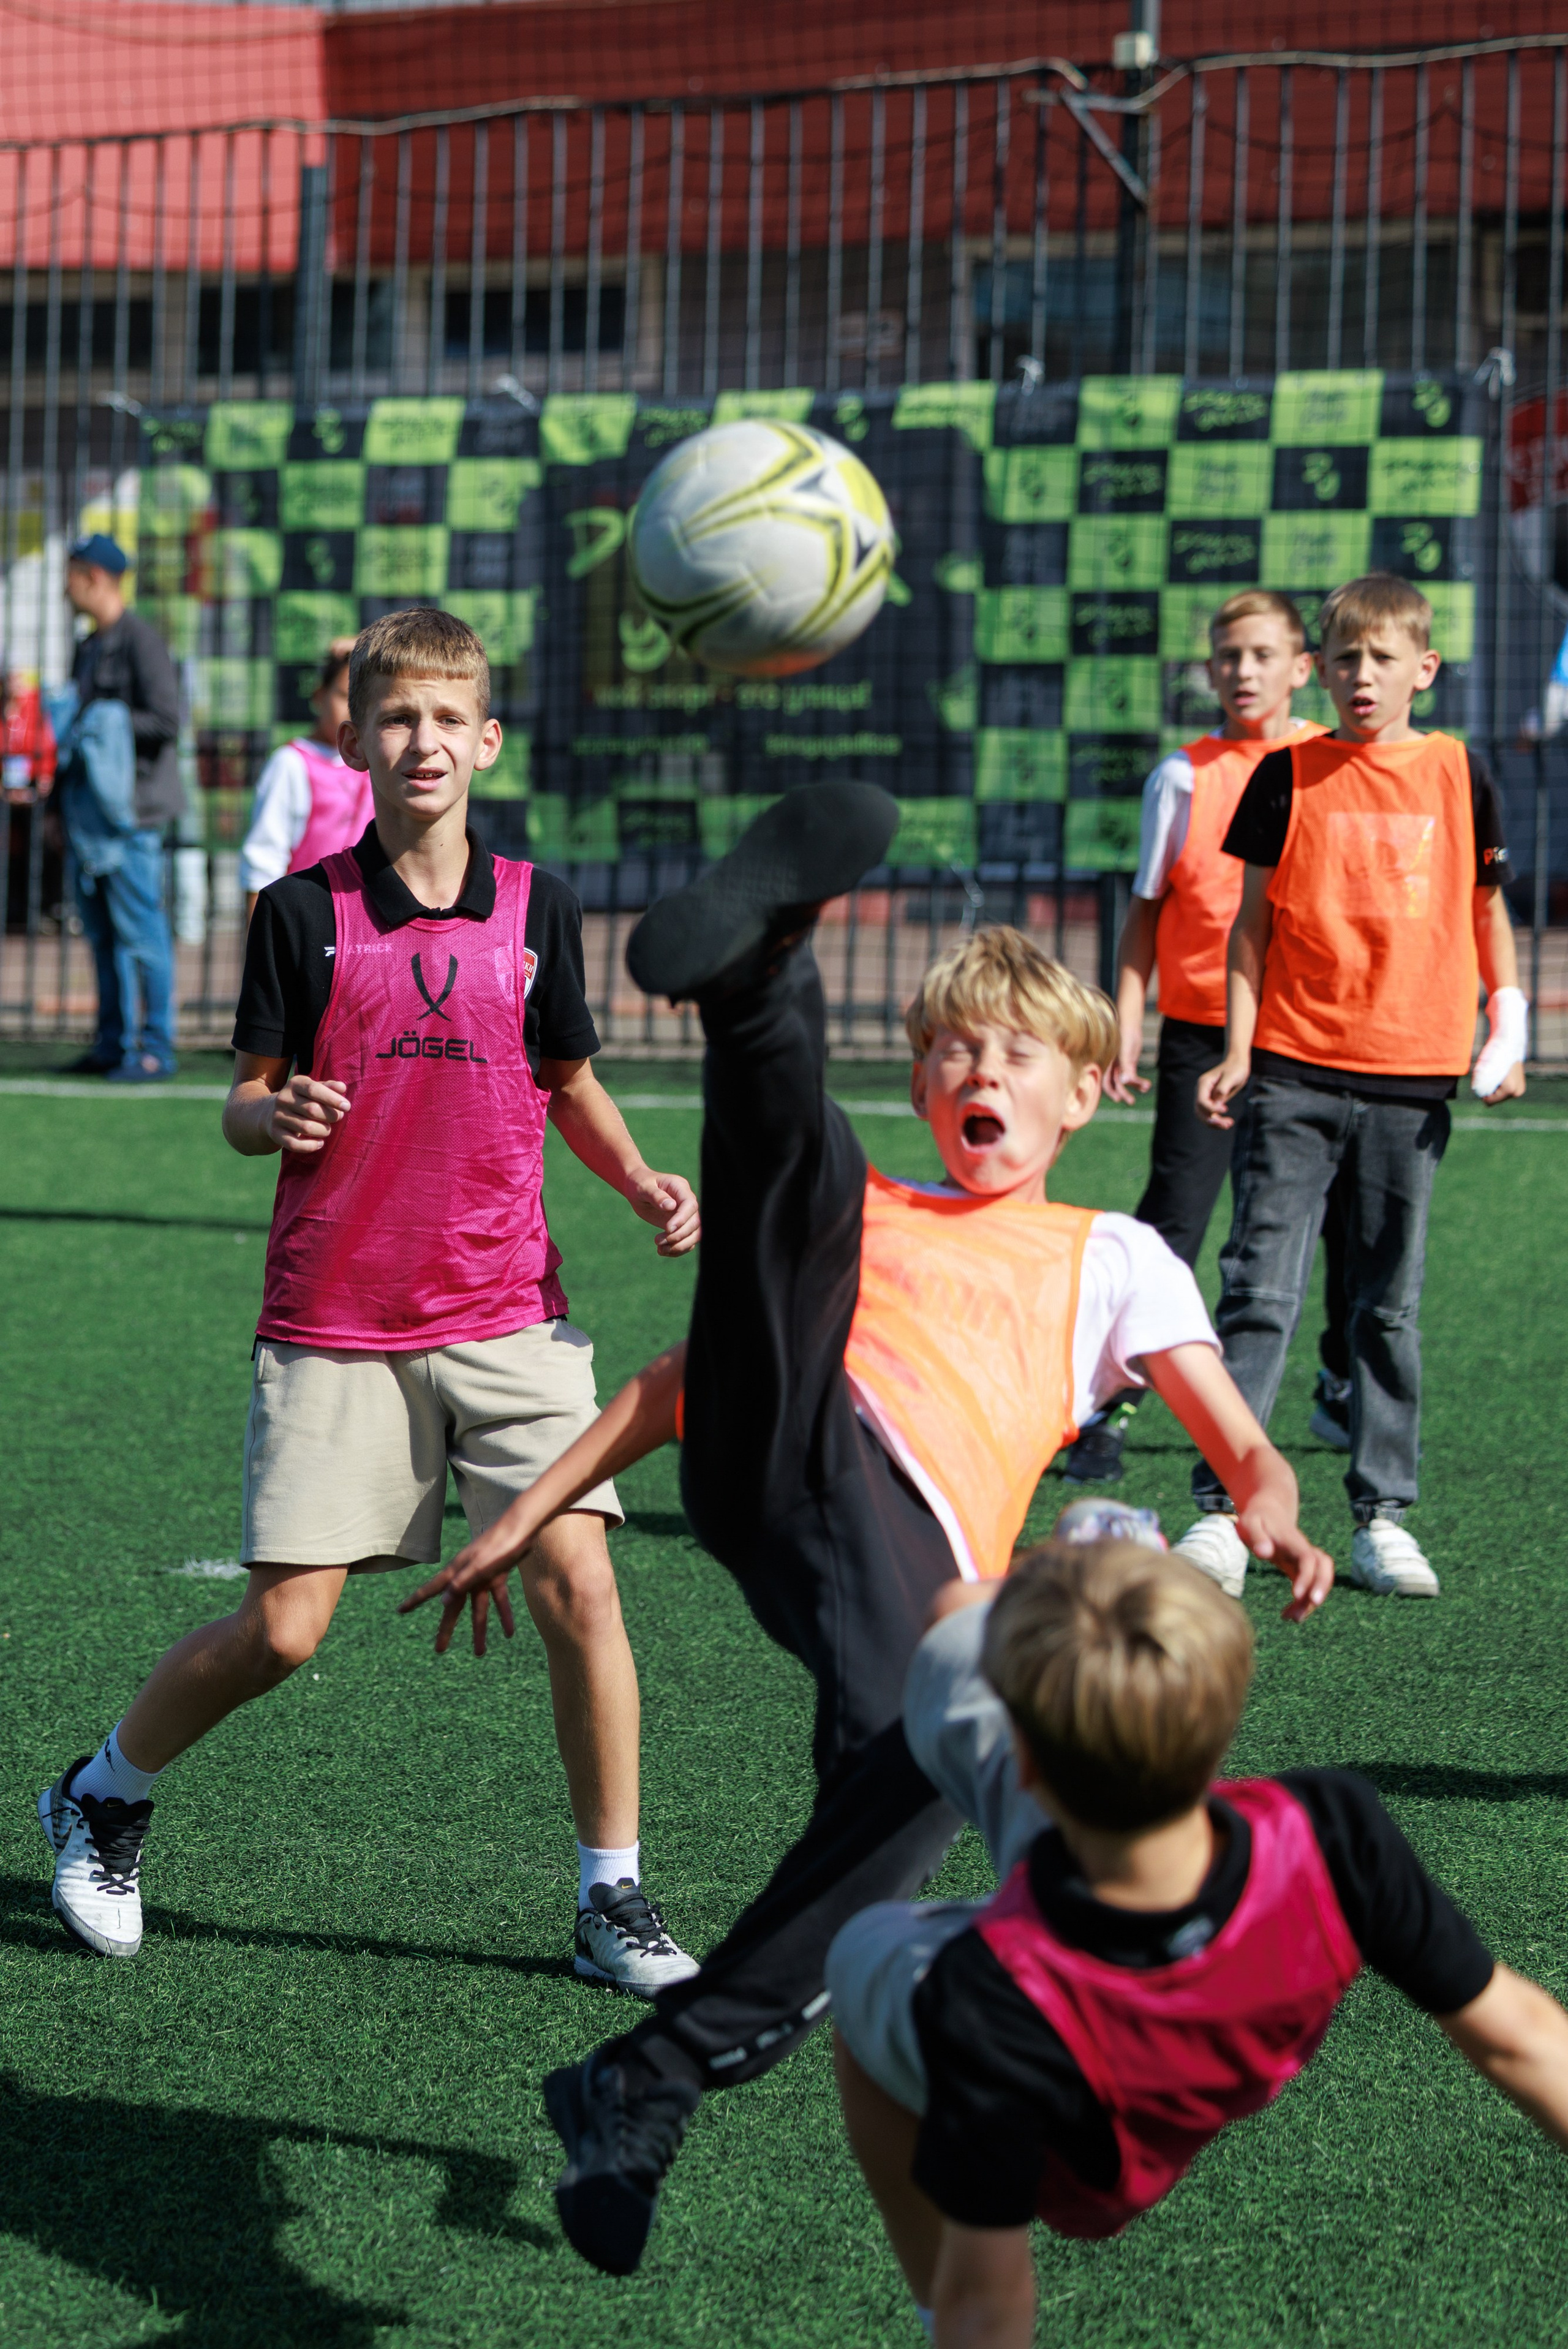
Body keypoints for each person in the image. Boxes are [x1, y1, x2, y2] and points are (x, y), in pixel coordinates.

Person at [406, 782, 1334, 2278]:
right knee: (807, 1185)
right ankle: (758, 979)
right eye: (954, 1046)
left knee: (895, 1808)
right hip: (782, 1439)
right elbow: (676, 1379)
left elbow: (1241, 1446)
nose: (980, 1066)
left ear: (1082, 1089)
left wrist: (1272, 1513)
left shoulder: (1117, 1253)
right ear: (923, 1077)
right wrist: (533, 1502)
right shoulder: (882, 1202)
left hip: (899, 1545)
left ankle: (641, 2082)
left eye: (1016, 1053)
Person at [37, 607, 704, 1999]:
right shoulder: (303, 912)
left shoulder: (539, 902)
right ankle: (102, 1789)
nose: (423, 740)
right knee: (285, 1631)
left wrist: (639, 1177)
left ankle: (609, 1889)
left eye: (448, 717)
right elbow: (239, 1100)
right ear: (353, 734)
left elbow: (566, 1075)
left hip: (510, 1310)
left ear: (488, 740)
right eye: (396, 716)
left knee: (578, 1575)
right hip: (337, 1317)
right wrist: (270, 1109)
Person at [827, 1539, 1568, 2348]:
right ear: (1222, 1728)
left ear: (1029, 1760)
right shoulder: (1333, 1831)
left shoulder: (985, 1994)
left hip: (1089, 2155)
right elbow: (1521, 2038)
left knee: (861, 1946)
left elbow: (991, 2305)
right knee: (956, 1631)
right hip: (1150, 1978)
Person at [1187, 572, 1528, 1601]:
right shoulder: (1285, 776)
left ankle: (1382, 1518)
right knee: (1258, 1292)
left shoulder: (1462, 773)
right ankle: (1222, 1515)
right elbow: (1248, 929)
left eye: (1383, 659)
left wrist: (1507, 1028)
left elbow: (1486, 914)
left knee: (1386, 1307)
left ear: (1423, 668)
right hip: (1291, 1069)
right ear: (1321, 670)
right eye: (1344, 659)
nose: (1361, 677)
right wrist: (1240, 1051)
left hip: (1412, 1081)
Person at [1066, 589, 1341, 1483]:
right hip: (1198, 1033)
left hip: (1308, 1035)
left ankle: (1339, 1384)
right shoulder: (1182, 776)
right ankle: (1103, 1407)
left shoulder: (1331, 764)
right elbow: (1144, 916)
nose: (1243, 671)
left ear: (1304, 668)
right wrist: (1126, 1028)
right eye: (1229, 655)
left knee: (1338, 1220)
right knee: (1172, 1225)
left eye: (1264, 654)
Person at [60, 533, 183, 1082]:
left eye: (72, 572)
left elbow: (166, 720)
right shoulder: (88, 645)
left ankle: (155, 1046)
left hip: (132, 819)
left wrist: (102, 724)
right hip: (90, 823)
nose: (66, 585)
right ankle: (113, 1043)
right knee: (104, 937)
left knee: (142, 936)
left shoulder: (141, 640)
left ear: (94, 577)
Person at [240, 638, 372, 922]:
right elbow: (263, 862)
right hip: (308, 919)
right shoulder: (291, 764)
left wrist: (369, 643)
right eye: (344, 697)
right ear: (318, 697)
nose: (354, 710)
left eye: (364, 701)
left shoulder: (378, 760)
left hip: (368, 924)